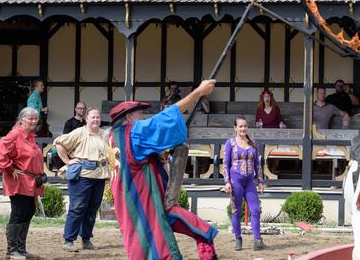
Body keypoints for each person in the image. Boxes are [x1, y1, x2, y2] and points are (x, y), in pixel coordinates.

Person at [109, 80, 219, 260]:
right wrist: (198, 92)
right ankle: (205, 238)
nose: (144, 117)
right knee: (156, 248)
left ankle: (204, 237)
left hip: (130, 202)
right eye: (140, 114)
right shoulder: (134, 133)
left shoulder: (114, 137)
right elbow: (166, 118)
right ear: (128, 118)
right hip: (144, 202)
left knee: (144, 239)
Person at [0, 107, 45, 260]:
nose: (34, 121)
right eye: (31, 118)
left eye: (36, 118)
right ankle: (12, 251)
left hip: (31, 182)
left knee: (28, 211)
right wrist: (9, 167)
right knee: (19, 212)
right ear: (22, 119)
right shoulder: (15, 134)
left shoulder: (30, 137)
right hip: (19, 181)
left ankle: (21, 249)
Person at [54, 108, 110, 252]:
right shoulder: (79, 132)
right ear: (86, 119)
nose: (96, 120)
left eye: (98, 117)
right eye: (93, 117)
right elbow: (59, 143)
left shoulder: (104, 134)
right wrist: (68, 161)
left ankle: (86, 239)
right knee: (77, 208)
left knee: (92, 209)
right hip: (82, 176)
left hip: (100, 176)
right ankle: (69, 240)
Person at [223, 116, 265, 251]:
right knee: (236, 210)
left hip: (249, 181)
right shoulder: (230, 143)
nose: (243, 128)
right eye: (240, 126)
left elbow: (257, 163)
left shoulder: (253, 142)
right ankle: (238, 238)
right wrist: (227, 182)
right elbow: (225, 164)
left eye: (245, 126)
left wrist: (260, 180)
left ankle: (257, 240)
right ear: (235, 128)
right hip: (236, 181)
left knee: (255, 210)